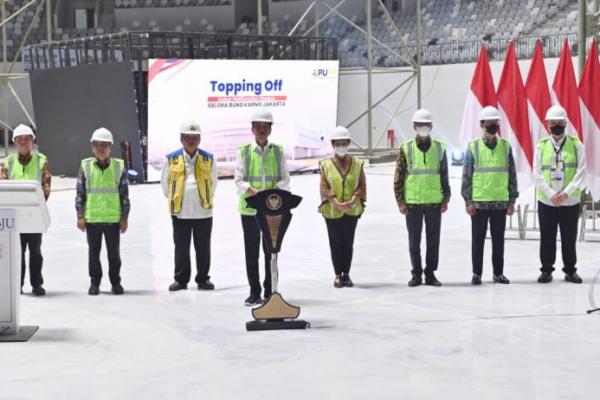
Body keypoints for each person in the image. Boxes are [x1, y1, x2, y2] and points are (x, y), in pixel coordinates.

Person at [234, 109, 290, 306]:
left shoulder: (278, 151)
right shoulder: (244, 152)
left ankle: (270, 290)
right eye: (258, 126)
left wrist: (272, 195)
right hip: (250, 210)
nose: (262, 130)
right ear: (252, 129)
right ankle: (254, 291)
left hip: (273, 211)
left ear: (270, 129)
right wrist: (257, 194)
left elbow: (285, 180)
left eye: (265, 127)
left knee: (271, 252)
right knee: (252, 253)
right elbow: (239, 181)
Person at [461, 106, 518, 285]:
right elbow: (466, 176)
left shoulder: (505, 146)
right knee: (477, 241)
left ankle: (498, 273)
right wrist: (468, 200)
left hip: (500, 202)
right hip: (479, 203)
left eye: (495, 123)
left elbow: (512, 174)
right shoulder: (473, 147)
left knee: (499, 241)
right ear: (481, 124)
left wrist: (512, 200)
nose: (493, 125)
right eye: (489, 123)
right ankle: (477, 273)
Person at [393, 109, 450, 287]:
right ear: (414, 126)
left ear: (431, 126)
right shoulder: (406, 148)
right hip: (413, 203)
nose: (423, 127)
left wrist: (446, 198)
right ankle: (416, 273)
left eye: (426, 125)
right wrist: (400, 201)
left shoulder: (440, 147)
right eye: (420, 125)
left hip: (434, 201)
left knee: (433, 240)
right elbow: (399, 176)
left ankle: (430, 273)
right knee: (414, 240)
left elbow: (444, 175)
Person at [161, 121, 217, 291]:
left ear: (199, 139)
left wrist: (203, 197)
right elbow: (165, 183)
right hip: (180, 211)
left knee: (203, 248)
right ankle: (181, 279)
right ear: (181, 139)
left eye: (194, 138)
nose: (191, 141)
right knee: (181, 248)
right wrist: (176, 198)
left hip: (203, 211)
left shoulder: (208, 158)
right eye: (187, 138)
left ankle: (202, 279)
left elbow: (214, 182)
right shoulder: (171, 159)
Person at [534, 105, 586, 284]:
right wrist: (551, 194)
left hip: (570, 201)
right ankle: (546, 270)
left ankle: (570, 270)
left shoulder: (576, 144)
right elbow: (537, 173)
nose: (557, 126)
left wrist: (566, 193)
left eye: (560, 123)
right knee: (547, 237)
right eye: (553, 123)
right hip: (547, 201)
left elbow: (581, 171)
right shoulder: (541, 146)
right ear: (547, 124)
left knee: (569, 238)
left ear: (565, 123)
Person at [75, 127, 130, 295]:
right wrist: (80, 216)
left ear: (110, 147)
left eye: (104, 145)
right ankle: (95, 283)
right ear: (92, 147)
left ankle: (116, 283)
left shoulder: (118, 167)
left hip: (113, 220)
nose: (100, 148)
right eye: (97, 144)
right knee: (94, 255)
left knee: (114, 256)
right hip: (92, 219)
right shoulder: (85, 166)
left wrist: (124, 217)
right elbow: (80, 193)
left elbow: (124, 195)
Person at [0, 124, 51, 296]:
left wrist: (35, 208)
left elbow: (46, 188)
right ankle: (17, 285)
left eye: (26, 139)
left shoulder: (41, 161)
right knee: (17, 252)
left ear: (32, 141)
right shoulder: (6, 163)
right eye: (19, 139)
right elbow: (2, 189)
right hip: (14, 217)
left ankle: (37, 284)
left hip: (34, 216)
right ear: (14, 141)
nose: (23, 142)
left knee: (35, 252)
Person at [319, 126, 366, 288]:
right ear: (332, 144)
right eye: (337, 143)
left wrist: (352, 202)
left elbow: (361, 186)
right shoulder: (325, 165)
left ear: (348, 143)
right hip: (332, 211)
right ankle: (338, 274)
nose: (341, 146)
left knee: (348, 243)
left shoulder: (357, 164)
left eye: (344, 143)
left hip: (352, 210)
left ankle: (347, 274)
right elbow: (324, 187)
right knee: (336, 243)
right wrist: (337, 203)